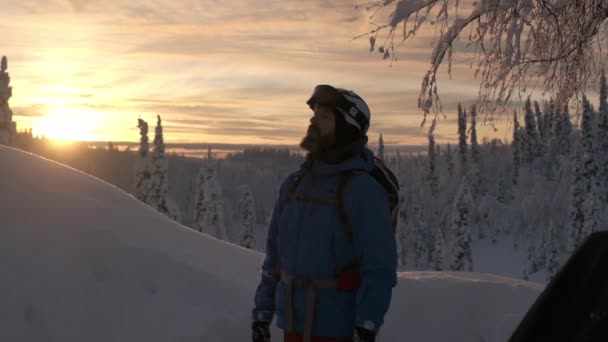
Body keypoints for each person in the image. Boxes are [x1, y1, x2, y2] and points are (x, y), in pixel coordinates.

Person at [251, 85, 398, 342]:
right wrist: (262, 312)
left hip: (337, 330)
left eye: (324, 117)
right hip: (293, 328)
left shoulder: (361, 190)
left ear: (347, 128)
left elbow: (379, 267)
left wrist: (366, 325)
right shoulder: (294, 184)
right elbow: (275, 256)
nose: (313, 121)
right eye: (314, 115)